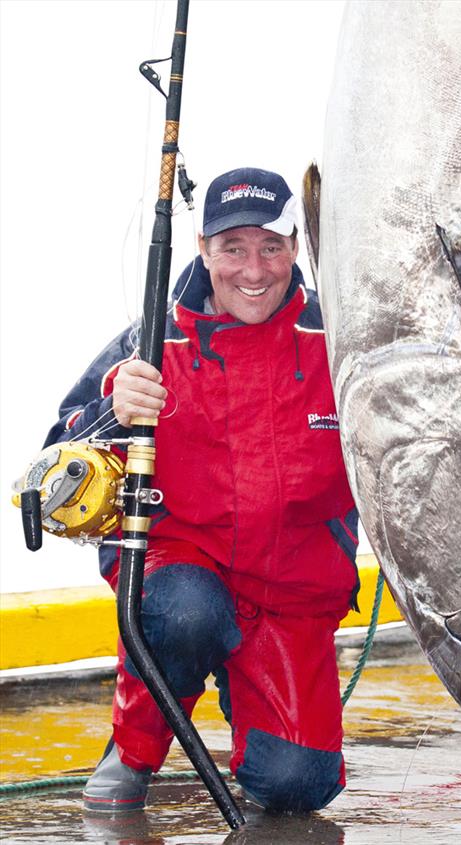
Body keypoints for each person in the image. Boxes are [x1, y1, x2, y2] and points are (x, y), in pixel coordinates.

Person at [44, 167, 359, 813]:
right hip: (181, 568)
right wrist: (111, 408)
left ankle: (248, 696)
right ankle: (132, 751)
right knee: (189, 614)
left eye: (271, 246)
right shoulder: (150, 341)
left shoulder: (343, 340)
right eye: (233, 247)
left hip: (291, 592)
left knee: (300, 785)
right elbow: (56, 459)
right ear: (202, 246)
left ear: (297, 246)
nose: (254, 268)